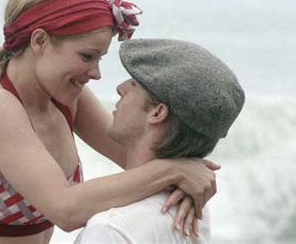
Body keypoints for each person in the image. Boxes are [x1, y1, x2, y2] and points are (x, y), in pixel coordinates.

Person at [0, 0, 220, 243]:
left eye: (99, 59)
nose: (96, 73)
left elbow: (139, 160)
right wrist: (175, 171)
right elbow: (65, 209)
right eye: (86, 56)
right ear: (40, 41)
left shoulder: (67, 100)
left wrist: (189, 174)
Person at [74, 38, 245, 243]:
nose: (121, 88)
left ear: (157, 112)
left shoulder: (111, 230)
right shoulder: (194, 209)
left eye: (135, 84)